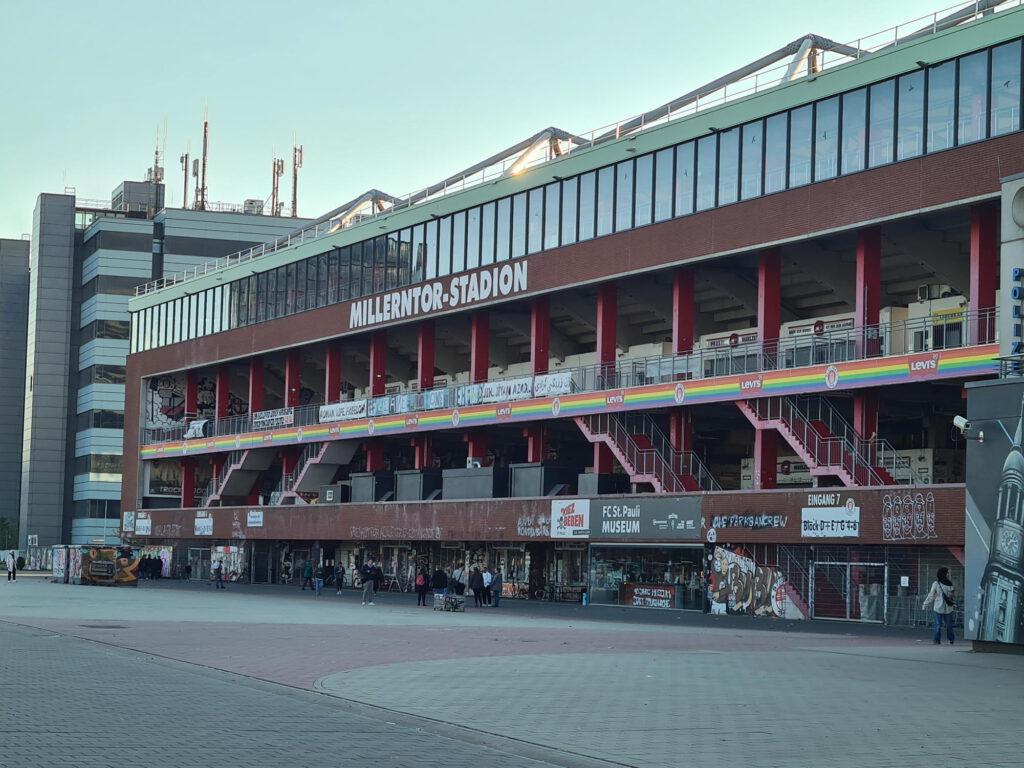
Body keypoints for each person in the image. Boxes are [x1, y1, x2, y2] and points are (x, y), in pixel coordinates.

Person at [922, 567, 956, 645]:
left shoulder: (950, 583)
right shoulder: (936, 584)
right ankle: (936, 640)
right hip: (938, 607)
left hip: (948, 608)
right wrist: (925, 604)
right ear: (943, 573)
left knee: (949, 625)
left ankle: (951, 639)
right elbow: (931, 595)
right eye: (947, 573)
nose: (948, 574)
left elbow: (951, 596)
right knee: (938, 625)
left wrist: (952, 594)